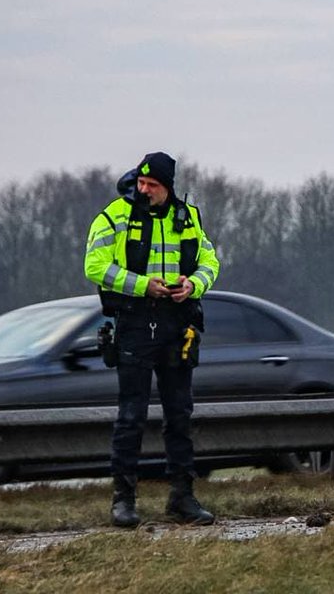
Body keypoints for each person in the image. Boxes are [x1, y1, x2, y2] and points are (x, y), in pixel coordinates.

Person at [84, 151, 220, 528]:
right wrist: (145, 287)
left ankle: (182, 497)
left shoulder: (187, 217)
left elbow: (211, 261)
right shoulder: (115, 216)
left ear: (167, 187)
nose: (144, 190)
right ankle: (123, 500)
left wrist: (193, 285)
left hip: (178, 324)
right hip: (135, 322)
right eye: (141, 183)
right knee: (131, 415)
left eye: (153, 185)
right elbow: (94, 265)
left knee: (180, 415)